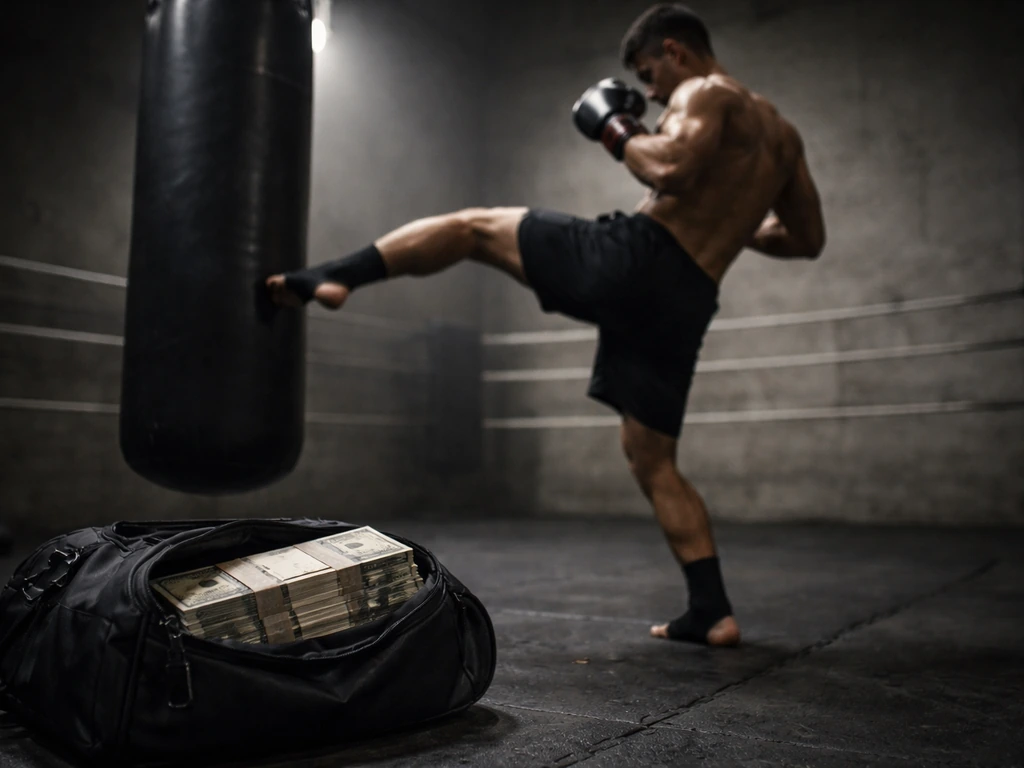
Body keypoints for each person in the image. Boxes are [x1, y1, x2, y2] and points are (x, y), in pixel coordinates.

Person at [267, 3, 826, 647]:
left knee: (473, 227)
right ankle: (712, 610)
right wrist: (736, 219)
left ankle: (333, 276)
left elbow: (667, 167)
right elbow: (805, 238)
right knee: (653, 460)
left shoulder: (704, 90)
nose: (649, 92)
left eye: (649, 74)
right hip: (688, 297)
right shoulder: (784, 138)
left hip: (637, 263)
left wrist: (612, 126)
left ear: (675, 51)